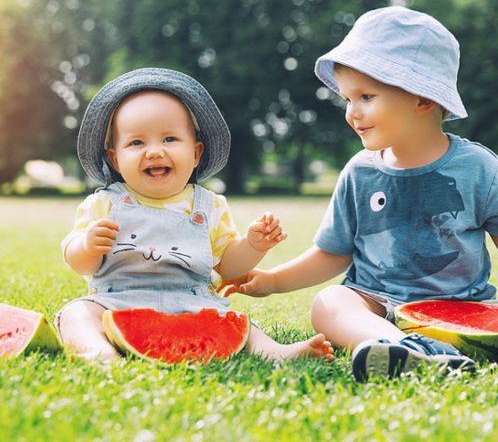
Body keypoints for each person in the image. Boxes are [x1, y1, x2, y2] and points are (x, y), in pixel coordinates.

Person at [232, 7, 498, 379]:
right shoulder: (360, 172)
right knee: (330, 302)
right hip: (376, 305)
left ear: (422, 99)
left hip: (464, 308)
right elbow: (332, 253)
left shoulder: (479, 168)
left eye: (366, 96)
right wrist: (275, 280)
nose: (352, 113)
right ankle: (406, 349)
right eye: (347, 99)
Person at [57, 68, 334, 362]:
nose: (153, 151)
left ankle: (277, 352)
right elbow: (75, 258)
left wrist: (253, 246)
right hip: (116, 300)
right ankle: (98, 351)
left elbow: (227, 266)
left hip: (192, 301)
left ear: (196, 152)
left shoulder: (209, 206)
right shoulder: (103, 203)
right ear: (115, 158)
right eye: (136, 143)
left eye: (169, 139)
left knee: (239, 322)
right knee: (77, 313)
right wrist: (86, 246)